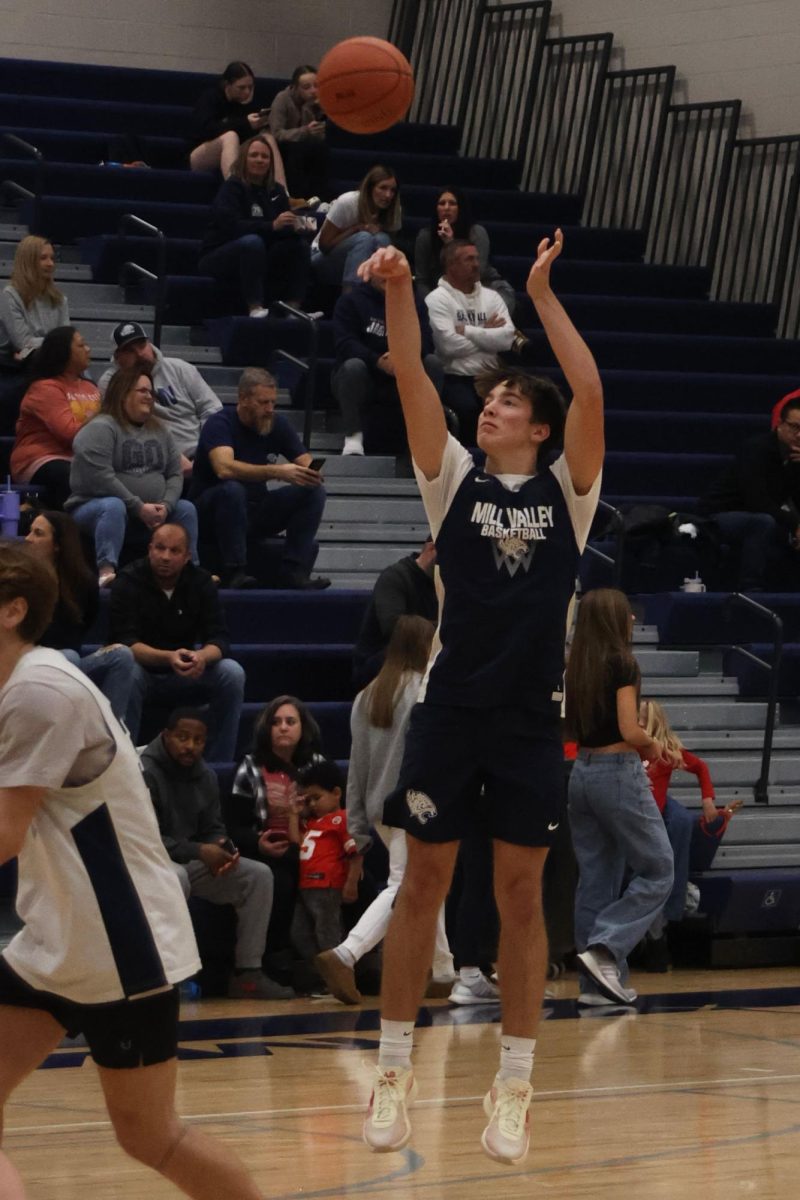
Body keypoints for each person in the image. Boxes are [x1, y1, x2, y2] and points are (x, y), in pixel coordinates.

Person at [355, 230, 603, 1165]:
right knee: (420, 882)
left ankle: (516, 1083)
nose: (490, 406)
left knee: (520, 898)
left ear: (537, 425)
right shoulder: (451, 481)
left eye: (505, 399)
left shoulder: (570, 495)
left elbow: (593, 392)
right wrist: (401, 285)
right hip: (452, 711)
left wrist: (539, 293)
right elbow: (413, 374)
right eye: (490, 397)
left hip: (529, 718)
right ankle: (392, 1068)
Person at [0, 540, 263, 1200]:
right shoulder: (17, 687)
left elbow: (4, 834)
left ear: (12, 611)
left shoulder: (39, 691)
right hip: (60, 936)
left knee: (152, 1136)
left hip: (120, 940)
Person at [316, 616, 455, 1006]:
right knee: (406, 886)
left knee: (428, 882)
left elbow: (356, 768)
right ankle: (347, 954)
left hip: (380, 811)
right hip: (416, 806)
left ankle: (444, 970)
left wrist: (358, 827)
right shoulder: (425, 691)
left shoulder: (367, 696)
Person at [565, 588, 673, 1007]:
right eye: (627, 614)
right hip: (618, 774)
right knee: (660, 869)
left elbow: (570, 730)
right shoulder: (623, 663)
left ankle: (597, 988)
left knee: (596, 880)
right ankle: (606, 949)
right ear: (615, 619)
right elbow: (630, 730)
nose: (632, 620)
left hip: (582, 773)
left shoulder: (576, 665)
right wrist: (653, 746)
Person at [141, 707, 292, 999]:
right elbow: (147, 840)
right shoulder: (144, 773)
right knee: (177, 879)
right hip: (152, 862)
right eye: (183, 738)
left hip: (191, 858)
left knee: (258, 875)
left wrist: (223, 847)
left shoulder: (206, 775)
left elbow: (213, 827)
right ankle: (169, 978)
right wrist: (201, 850)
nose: (190, 746)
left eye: (198, 740)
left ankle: (248, 975)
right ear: (166, 736)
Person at [109, 523, 245, 760]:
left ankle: (219, 765)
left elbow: (220, 638)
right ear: (149, 549)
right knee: (127, 672)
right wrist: (168, 657)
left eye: (174, 551)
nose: (165, 557)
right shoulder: (128, 580)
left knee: (232, 673)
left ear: (187, 556)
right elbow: (126, 642)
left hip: (186, 672)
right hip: (143, 673)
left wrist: (202, 656)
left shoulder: (201, 582)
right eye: (160, 548)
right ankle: (123, 762)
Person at [190, 367, 329, 590]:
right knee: (233, 489)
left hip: (254, 509)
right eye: (263, 403)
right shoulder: (220, 423)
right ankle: (235, 570)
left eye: (273, 402)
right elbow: (223, 468)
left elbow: (303, 459)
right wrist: (277, 471)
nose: (270, 409)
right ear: (243, 399)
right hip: (213, 511)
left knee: (313, 491)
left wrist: (310, 472)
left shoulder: (276, 424)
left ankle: (294, 569)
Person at [66, 366, 199, 588]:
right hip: (92, 509)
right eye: (142, 391)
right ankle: (106, 572)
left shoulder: (160, 430)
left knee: (186, 509)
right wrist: (138, 506)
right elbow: (100, 477)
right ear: (122, 393)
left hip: (149, 513)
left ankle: (190, 572)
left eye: (150, 391)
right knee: (113, 506)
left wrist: (166, 505)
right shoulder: (101, 428)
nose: (149, 396)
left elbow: (175, 473)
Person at [639, 699, 741, 969]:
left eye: (641, 719)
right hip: (635, 821)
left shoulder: (666, 751)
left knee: (663, 869)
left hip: (656, 822)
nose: (636, 724)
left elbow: (700, 767)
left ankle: (667, 919)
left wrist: (708, 799)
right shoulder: (629, 747)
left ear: (653, 722)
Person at [227, 695, 323, 983]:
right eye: (276, 722)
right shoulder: (249, 767)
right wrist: (258, 843)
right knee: (280, 877)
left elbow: (335, 812)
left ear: (302, 728)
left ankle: (359, 957)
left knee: (359, 878)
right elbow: (234, 825)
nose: (283, 727)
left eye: (290, 722)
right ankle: (278, 959)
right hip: (265, 848)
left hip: (315, 846)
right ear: (266, 729)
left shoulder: (318, 765)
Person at [24, 509, 134, 720]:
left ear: (57, 545)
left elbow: (85, 623)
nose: (28, 539)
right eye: (30, 532)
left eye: (38, 534)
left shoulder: (83, 583)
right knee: (69, 657)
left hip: (69, 664)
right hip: (27, 664)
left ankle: (111, 737)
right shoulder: (21, 581)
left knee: (122, 656)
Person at [198, 136, 311, 320]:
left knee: (299, 246)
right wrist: (271, 225)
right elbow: (231, 227)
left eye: (265, 157)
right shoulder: (232, 187)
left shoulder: (277, 191)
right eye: (254, 155)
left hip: (260, 252)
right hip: (219, 253)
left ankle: (293, 308)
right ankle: (255, 307)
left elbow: (279, 229)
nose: (259, 160)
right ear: (244, 159)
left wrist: (295, 226)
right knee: (252, 242)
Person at [332, 274, 443, 457]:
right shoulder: (351, 301)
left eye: (392, 271)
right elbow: (345, 343)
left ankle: (422, 441)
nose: (388, 276)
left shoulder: (414, 302)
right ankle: (353, 437)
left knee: (433, 363)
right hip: (364, 375)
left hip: (403, 373)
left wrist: (403, 359)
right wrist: (376, 360)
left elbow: (426, 340)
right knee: (353, 366)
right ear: (370, 274)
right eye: (382, 271)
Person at [698, 394, 800, 590]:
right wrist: (795, 524)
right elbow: (757, 501)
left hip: (757, 515)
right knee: (763, 522)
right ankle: (751, 590)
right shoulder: (756, 449)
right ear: (780, 424)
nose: (799, 435)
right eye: (795, 427)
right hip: (717, 516)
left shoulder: (795, 457)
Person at [98, 322, 222, 473]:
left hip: (198, 453)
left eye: (142, 345)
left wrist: (208, 450)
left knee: (231, 488)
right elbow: (121, 428)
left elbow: (211, 409)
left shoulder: (180, 369)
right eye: (130, 350)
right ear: (118, 358)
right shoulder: (111, 382)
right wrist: (174, 456)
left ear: (149, 343)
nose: (140, 354)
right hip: (151, 460)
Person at [425, 240, 516, 445]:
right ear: (451, 266)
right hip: (456, 376)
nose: (476, 264)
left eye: (477, 259)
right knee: (467, 409)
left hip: (492, 375)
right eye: (469, 259)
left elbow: (507, 339)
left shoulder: (492, 297)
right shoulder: (436, 299)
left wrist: (467, 331)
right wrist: (487, 333)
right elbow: (447, 346)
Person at [10, 326, 99, 510]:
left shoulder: (91, 388)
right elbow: (70, 434)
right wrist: (102, 415)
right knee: (70, 474)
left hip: (80, 459)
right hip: (42, 458)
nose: (88, 349)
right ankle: (67, 530)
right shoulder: (45, 388)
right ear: (63, 352)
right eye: (81, 345)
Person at [290, 759, 362, 975]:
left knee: (327, 933)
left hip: (328, 886)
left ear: (336, 793)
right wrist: (293, 814)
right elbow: (296, 843)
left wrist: (351, 883)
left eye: (317, 798)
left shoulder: (342, 819)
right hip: (306, 886)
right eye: (308, 799)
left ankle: (340, 975)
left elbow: (356, 853)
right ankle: (322, 974)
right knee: (299, 933)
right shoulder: (311, 823)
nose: (312, 804)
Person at [352, 536, 437, 689]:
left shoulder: (449, 583)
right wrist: (448, 627)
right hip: (384, 662)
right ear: (431, 549)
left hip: (423, 659)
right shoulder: (395, 577)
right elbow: (393, 627)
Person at [414, 187, 516, 314]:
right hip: (444, 294)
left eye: (452, 203)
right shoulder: (425, 237)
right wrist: (433, 304)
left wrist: (451, 244)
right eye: (442, 203)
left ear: (460, 208)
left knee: (499, 304)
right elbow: (422, 280)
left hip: (484, 288)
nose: (446, 208)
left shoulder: (476, 232)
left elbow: (475, 274)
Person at [188, 59, 286, 186]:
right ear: (227, 85)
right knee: (230, 136)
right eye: (241, 88)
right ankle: (234, 189)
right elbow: (204, 130)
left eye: (250, 87)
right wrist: (245, 123)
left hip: (234, 152)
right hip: (201, 153)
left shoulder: (248, 103)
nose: (247, 92)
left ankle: (283, 193)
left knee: (267, 138)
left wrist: (259, 124)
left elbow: (247, 135)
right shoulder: (210, 98)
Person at [311, 165, 402, 289]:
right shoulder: (347, 201)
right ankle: (352, 298)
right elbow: (324, 246)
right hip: (320, 259)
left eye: (392, 190)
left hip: (362, 264)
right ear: (370, 188)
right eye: (383, 188)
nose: (388, 195)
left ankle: (381, 292)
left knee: (383, 238)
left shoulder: (395, 210)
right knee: (364, 237)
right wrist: (356, 229)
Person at [0, 236, 70, 362]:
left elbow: (67, 340)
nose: (50, 264)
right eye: (43, 258)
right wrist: (57, 342)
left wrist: (57, 343)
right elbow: (24, 344)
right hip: (15, 367)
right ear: (28, 262)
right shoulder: (9, 295)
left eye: (52, 258)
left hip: (52, 361)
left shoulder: (60, 299)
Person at [268, 64, 329, 200]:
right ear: (295, 88)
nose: (313, 91)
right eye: (306, 87)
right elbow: (276, 134)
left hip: (305, 146)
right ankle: (297, 197)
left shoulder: (315, 102)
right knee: (298, 150)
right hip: (282, 148)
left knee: (321, 148)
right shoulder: (282, 99)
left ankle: (321, 198)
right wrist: (305, 131)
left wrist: (322, 113)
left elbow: (320, 136)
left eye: (316, 86)